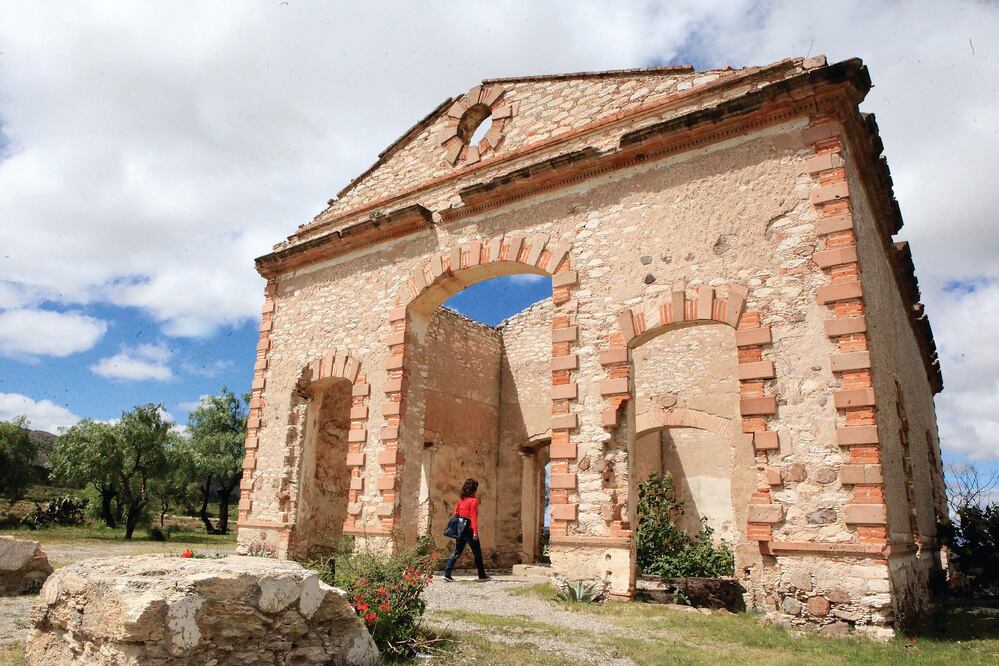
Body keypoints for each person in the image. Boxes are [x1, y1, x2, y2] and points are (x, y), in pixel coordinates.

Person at [443, 478, 490, 582]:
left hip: (460, 528)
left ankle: (447, 573)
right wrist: (475, 533)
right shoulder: (474, 501)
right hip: (468, 528)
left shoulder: (461, 500)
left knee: (457, 551)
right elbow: (473, 517)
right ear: (474, 489)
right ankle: (482, 575)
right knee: (477, 552)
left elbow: (456, 513)